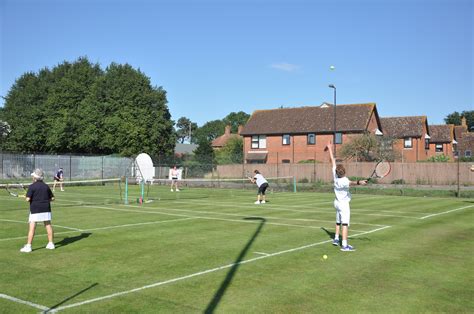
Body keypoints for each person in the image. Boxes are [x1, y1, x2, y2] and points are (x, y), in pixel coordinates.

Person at [326, 142, 367, 252]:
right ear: (344, 172)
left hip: (336, 203)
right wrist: (360, 182)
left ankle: (335, 239)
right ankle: (344, 245)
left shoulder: (335, 176)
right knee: (345, 224)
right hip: (343, 205)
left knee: (338, 221)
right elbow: (352, 183)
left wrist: (330, 148)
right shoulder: (344, 180)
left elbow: (332, 161)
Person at [20, 168, 55, 253]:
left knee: (32, 227)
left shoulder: (32, 186)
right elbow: (53, 198)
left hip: (35, 209)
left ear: (35, 177)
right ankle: (51, 244)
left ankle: (28, 246)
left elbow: (28, 199)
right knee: (48, 225)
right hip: (46, 208)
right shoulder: (46, 186)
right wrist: (45, 200)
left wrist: (26, 197)